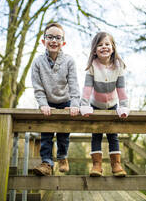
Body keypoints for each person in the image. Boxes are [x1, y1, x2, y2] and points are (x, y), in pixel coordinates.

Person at [31, 22, 80, 176]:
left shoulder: (69, 61)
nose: (53, 40)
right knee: (46, 133)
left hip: (65, 102)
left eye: (58, 38)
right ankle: (46, 163)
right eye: (50, 37)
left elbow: (74, 86)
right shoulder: (38, 62)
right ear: (43, 41)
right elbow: (38, 88)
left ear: (63, 42)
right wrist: (43, 105)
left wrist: (75, 104)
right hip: (47, 102)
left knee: (63, 133)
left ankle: (62, 157)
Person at [80, 31, 129, 177]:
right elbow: (87, 89)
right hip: (95, 106)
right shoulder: (92, 67)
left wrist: (124, 106)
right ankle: (97, 165)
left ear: (113, 48)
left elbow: (121, 89)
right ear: (95, 50)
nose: (104, 47)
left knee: (113, 134)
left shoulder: (118, 66)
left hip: (113, 105)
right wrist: (84, 105)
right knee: (96, 134)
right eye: (100, 45)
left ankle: (116, 164)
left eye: (107, 44)